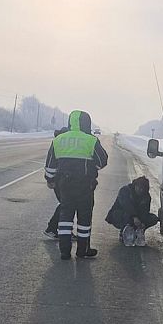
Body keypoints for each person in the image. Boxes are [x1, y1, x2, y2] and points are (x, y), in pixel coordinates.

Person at [45, 110, 108, 260]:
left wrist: (50, 179)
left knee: (65, 217)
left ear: (70, 122)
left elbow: (50, 165)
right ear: (87, 123)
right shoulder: (91, 140)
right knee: (84, 219)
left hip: (65, 185)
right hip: (85, 186)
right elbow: (102, 161)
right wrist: (92, 168)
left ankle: (64, 252)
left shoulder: (59, 140)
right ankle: (82, 251)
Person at [105, 176, 158, 246]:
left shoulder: (146, 197)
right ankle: (124, 232)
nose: (141, 190)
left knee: (153, 218)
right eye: (139, 187)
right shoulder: (125, 191)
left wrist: (142, 223)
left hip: (137, 217)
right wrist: (134, 217)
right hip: (121, 214)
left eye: (143, 189)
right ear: (135, 185)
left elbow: (145, 211)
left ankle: (138, 232)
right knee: (126, 216)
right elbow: (126, 205)